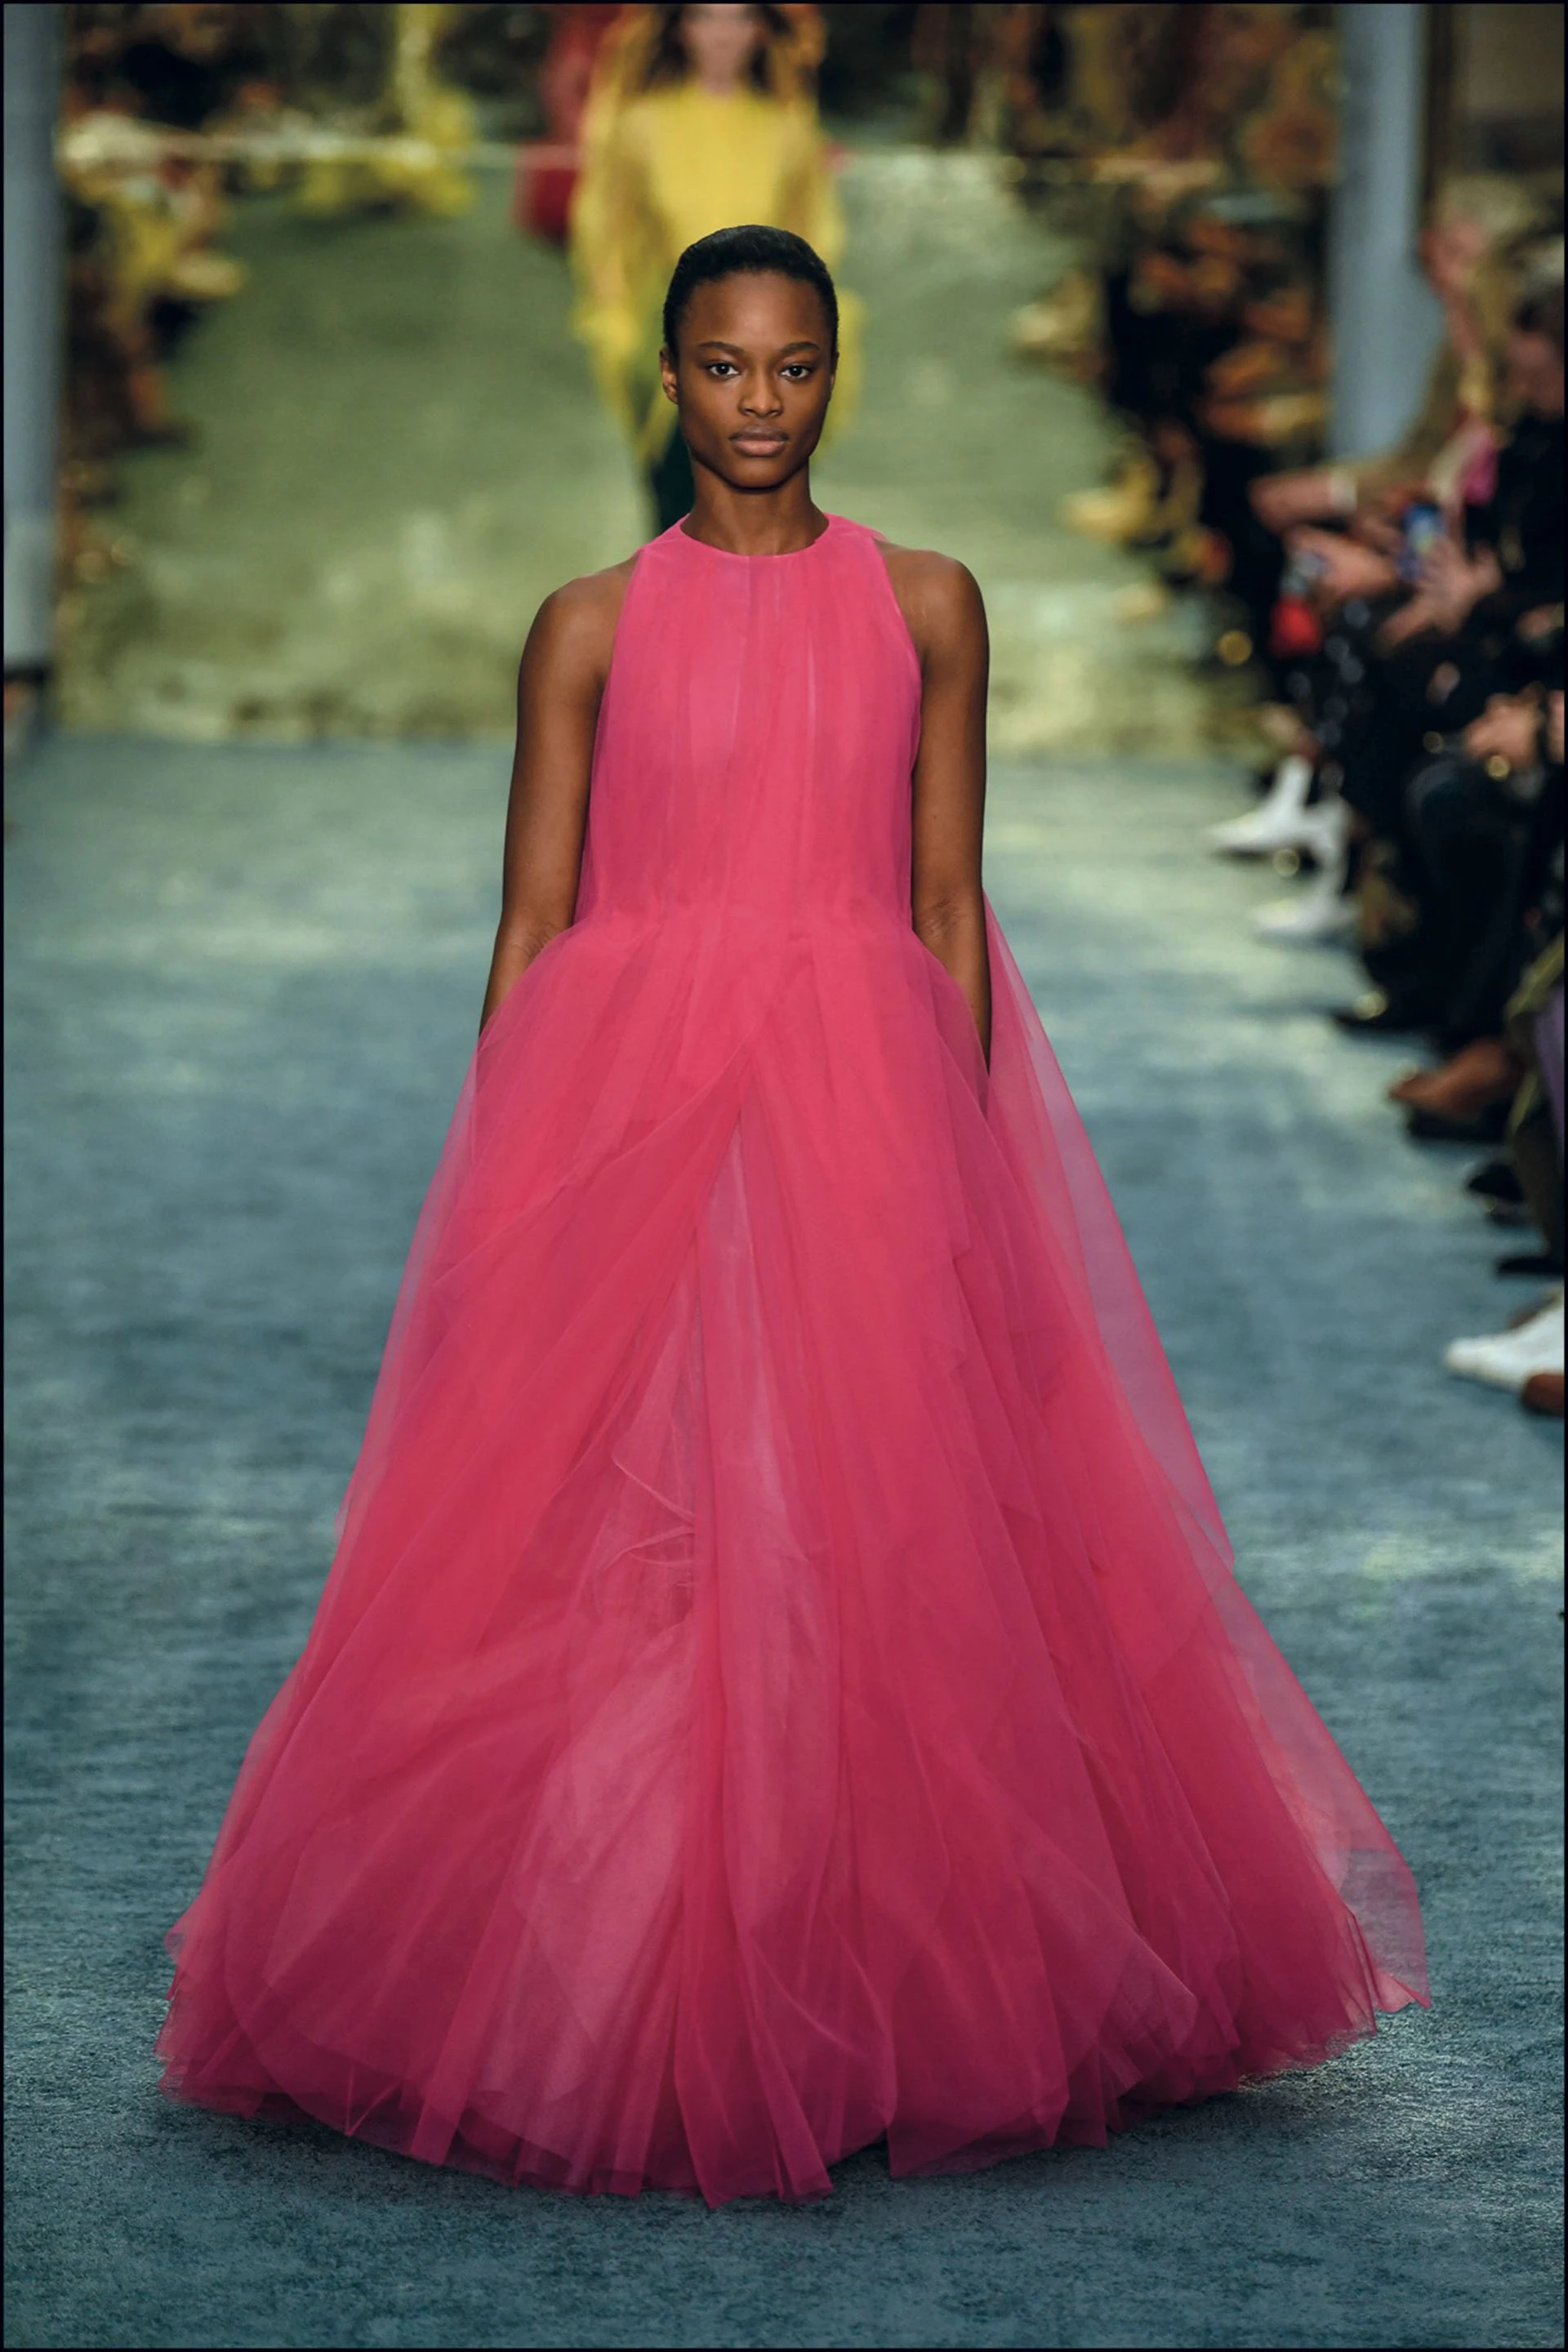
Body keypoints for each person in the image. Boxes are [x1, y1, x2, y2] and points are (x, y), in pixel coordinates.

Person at [157, 226, 1428, 2207]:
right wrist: (510, 1172)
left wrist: (973, 1163)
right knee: (644, 1528)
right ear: (667, 378)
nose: (762, 402)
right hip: (635, 1111)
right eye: (726, 368)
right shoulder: (585, 623)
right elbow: (534, 917)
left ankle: (856, 1986)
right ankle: (619, 1975)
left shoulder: (928, 604)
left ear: (836, 374)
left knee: (860, 1532)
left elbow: (942, 907)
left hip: (863, 1115)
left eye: (795, 366)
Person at [568, 2, 856, 531]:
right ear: (679, 28)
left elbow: (815, 230)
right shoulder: (642, 126)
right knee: (679, 502)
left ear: (761, 32)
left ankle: (753, 610)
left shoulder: (787, 129)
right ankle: (679, 609)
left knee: (764, 507)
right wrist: (612, 317)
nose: (723, 35)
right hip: (672, 336)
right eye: (706, 17)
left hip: (769, 346)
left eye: (740, 18)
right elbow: (605, 228)